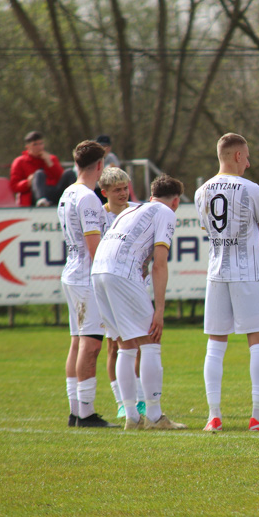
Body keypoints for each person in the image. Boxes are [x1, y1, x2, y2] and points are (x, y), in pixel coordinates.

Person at [196, 133, 259, 432]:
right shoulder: (251, 189)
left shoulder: (201, 191)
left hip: (217, 273)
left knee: (215, 345)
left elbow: (209, 230)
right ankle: (258, 416)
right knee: (258, 342)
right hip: (248, 273)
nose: (249, 162)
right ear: (236, 156)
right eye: (246, 156)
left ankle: (213, 416)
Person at [92, 174, 187, 430]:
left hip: (98, 273)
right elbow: (159, 264)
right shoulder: (166, 213)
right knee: (151, 341)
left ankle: (132, 417)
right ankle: (154, 416)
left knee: (125, 344)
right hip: (121, 272)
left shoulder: (129, 211)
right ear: (175, 201)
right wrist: (159, 310)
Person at [58, 140, 116, 428]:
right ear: (100, 165)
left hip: (71, 272)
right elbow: (95, 247)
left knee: (77, 343)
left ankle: (75, 410)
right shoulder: (89, 198)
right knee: (91, 345)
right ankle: (86, 413)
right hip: (86, 277)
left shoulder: (68, 192)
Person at [97, 167, 146, 420]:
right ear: (105, 193)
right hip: (109, 286)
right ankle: (120, 401)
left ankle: (138, 400)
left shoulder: (136, 212)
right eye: (117, 190)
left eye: (125, 188)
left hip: (134, 283)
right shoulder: (99, 217)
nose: (123, 194)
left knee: (137, 342)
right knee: (114, 345)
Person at [10, 131, 76, 207]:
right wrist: (28, 182)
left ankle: (74, 200)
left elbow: (61, 178)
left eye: (41, 144)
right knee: (39, 174)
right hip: (35, 194)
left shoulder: (51, 159)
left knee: (69, 172)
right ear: (28, 146)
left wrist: (50, 163)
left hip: (54, 191)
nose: (39, 147)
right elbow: (14, 186)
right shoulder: (19, 161)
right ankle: (41, 201)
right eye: (35, 144)